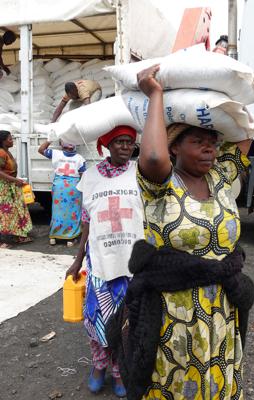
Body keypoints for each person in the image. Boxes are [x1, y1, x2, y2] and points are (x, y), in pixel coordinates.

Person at [121, 64, 254, 399]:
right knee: (177, 383)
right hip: (175, 313)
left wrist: (232, 92)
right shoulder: (161, 186)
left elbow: (245, 131)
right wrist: (155, 94)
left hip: (221, 308)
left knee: (217, 381)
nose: (209, 149)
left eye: (213, 142)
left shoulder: (221, 177)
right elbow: (153, 156)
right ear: (175, 147)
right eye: (198, 142)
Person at [65, 125, 143, 398]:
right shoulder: (90, 177)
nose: (125, 146)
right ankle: (99, 366)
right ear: (107, 145)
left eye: (130, 142)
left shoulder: (141, 173)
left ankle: (119, 370)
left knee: (126, 322)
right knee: (95, 318)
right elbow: (87, 221)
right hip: (100, 262)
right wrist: (77, 261)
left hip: (131, 263)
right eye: (119, 141)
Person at [38, 140, 86, 246]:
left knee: (57, 211)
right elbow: (83, 177)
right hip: (73, 187)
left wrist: (50, 139)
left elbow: (41, 150)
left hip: (59, 187)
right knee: (73, 212)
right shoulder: (80, 158)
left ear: (61, 144)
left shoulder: (55, 153)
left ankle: (54, 237)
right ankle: (70, 238)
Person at [0, 130, 32, 248]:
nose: (12, 141)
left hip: (10, 185)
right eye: (10, 139)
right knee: (4, 213)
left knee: (15, 211)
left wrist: (16, 180)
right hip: (3, 187)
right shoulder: (1, 153)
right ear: (3, 141)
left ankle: (19, 236)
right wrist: (15, 180)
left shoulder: (6, 152)